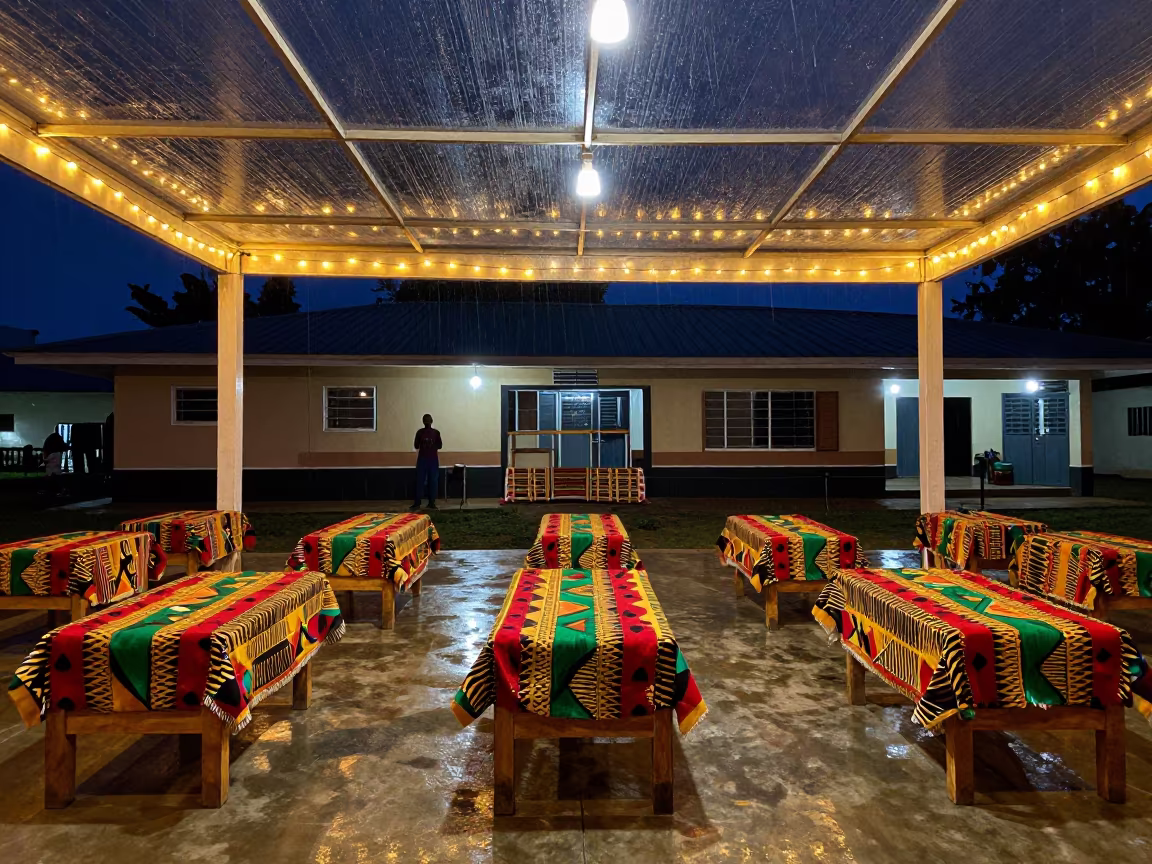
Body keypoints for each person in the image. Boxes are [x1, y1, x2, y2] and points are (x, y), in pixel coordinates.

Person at [412, 413, 442, 510]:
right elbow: (440, 446)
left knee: (420, 481)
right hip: (432, 459)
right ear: (432, 421)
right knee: (432, 481)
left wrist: (424, 444)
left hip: (423, 459)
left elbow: (416, 446)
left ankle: (417, 503)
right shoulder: (436, 433)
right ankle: (431, 503)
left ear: (423, 422)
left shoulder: (420, 432)